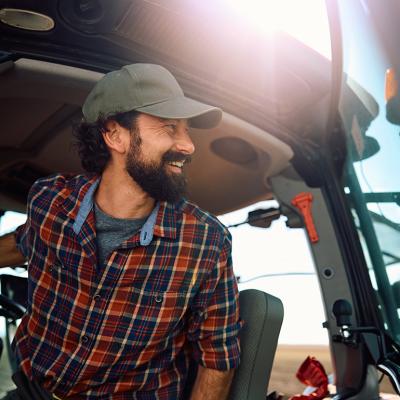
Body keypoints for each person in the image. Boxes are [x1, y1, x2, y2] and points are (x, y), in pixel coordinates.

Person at [0, 64, 242, 400]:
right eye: (170, 128)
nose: (188, 145)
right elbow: (24, 242)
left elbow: (217, 358)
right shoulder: (50, 201)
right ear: (115, 134)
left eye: (187, 131)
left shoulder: (205, 241)